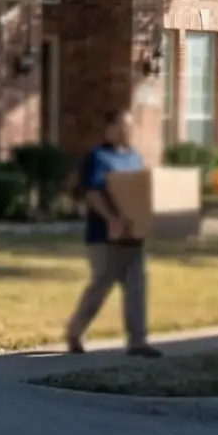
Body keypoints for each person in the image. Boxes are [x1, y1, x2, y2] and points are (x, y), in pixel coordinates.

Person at [63, 115, 161, 357]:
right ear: (110, 129)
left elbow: (140, 193)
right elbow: (93, 194)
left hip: (133, 236)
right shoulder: (99, 157)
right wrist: (112, 219)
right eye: (123, 126)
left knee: (137, 287)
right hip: (103, 235)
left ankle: (138, 341)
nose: (128, 130)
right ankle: (75, 333)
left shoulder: (134, 157)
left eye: (131, 125)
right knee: (100, 285)